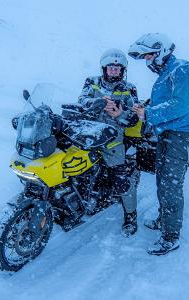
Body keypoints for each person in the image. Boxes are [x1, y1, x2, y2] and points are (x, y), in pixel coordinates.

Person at [128, 33, 189, 255]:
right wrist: (144, 106)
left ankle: (171, 237)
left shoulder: (182, 69)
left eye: (149, 56)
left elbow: (182, 105)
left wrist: (148, 112)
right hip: (167, 134)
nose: (147, 62)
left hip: (182, 136)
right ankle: (164, 219)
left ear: (161, 52)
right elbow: (166, 102)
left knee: (171, 185)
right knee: (162, 179)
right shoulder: (166, 74)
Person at [78, 48, 140, 236]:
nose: (114, 71)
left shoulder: (129, 89)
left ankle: (131, 215)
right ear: (104, 68)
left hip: (113, 137)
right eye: (110, 68)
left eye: (117, 68)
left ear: (123, 70)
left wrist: (119, 114)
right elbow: (81, 101)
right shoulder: (92, 82)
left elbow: (134, 118)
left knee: (121, 179)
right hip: (87, 133)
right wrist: (96, 103)